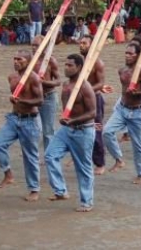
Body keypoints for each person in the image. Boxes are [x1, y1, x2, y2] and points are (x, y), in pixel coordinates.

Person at [45, 53, 97, 212]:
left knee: (83, 167)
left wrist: (74, 121)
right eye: (65, 65)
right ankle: (60, 191)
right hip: (67, 130)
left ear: (79, 67)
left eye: (70, 65)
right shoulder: (66, 85)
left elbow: (92, 113)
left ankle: (87, 202)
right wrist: (67, 120)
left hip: (83, 131)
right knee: (50, 155)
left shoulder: (85, 87)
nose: (66, 68)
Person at [0, 50, 43, 201]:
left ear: (27, 62)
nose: (16, 62)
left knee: (30, 156)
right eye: (14, 59)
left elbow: (40, 100)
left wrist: (21, 101)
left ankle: (34, 189)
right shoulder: (12, 77)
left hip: (30, 120)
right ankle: (8, 174)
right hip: (14, 118)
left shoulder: (33, 78)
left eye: (19, 60)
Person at [103, 42, 141, 183]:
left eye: (131, 54)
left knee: (139, 145)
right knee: (106, 132)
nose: (127, 56)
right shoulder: (122, 70)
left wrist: (138, 92)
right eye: (126, 53)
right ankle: (119, 159)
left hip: (137, 112)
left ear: (137, 56)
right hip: (121, 108)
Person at [79, 35, 108, 175]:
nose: (81, 45)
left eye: (84, 43)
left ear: (92, 45)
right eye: (80, 43)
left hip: (95, 100)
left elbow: (100, 84)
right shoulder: (80, 62)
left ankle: (100, 162)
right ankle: (85, 158)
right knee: (81, 129)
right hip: (80, 100)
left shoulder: (97, 63)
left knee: (96, 131)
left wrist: (87, 91)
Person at [32, 35, 60, 154]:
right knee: (34, 128)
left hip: (49, 98)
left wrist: (44, 82)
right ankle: (34, 154)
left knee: (48, 130)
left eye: (36, 45)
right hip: (34, 99)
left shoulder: (50, 61)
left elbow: (58, 81)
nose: (33, 48)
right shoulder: (30, 60)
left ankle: (49, 155)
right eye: (32, 45)